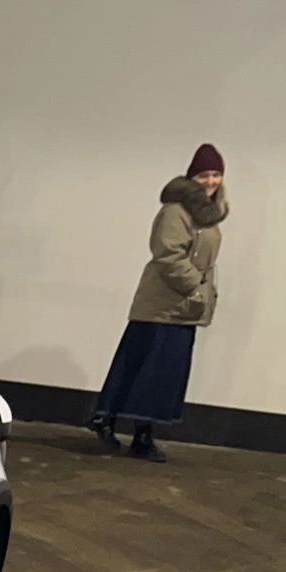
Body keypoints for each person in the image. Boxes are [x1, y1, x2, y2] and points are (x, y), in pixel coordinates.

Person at [88, 145, 229, 463]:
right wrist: (195, 286)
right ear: (192, 178)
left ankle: (111, 419)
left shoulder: (208, 213)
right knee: (152, 371)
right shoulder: (176, 211)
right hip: (165, 304)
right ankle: (135, 433)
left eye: (216, 174)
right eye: (203, 175)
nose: (210, 181)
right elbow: (168, 254)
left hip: (184, 306)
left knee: (154, 371)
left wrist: (202, 294)